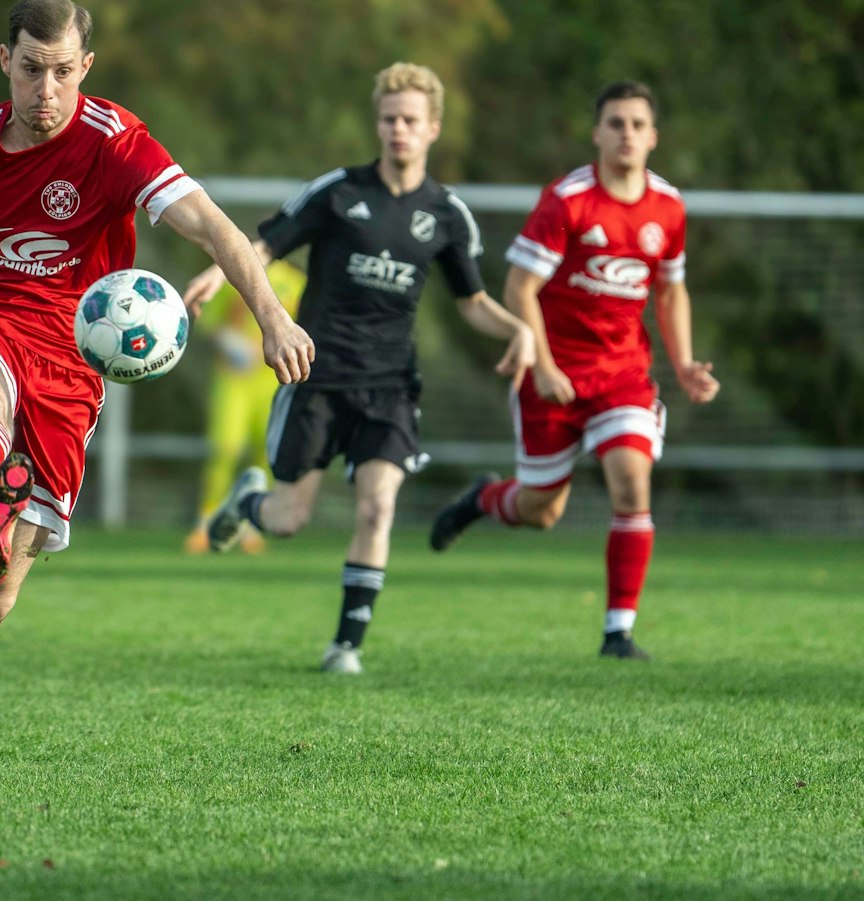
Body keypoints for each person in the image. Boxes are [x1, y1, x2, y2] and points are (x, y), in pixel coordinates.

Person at [0, 0, 315, 784]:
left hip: (69, 366)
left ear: (85, 68)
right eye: (31, 69)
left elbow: (216, 229)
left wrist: (271, 317)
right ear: (5, 62)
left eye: (63, 72)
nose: (46, 89)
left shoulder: (116, 142)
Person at [187, 63, 535, 675]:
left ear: (433, 129)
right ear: (377, 124)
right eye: (388, 118)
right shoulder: (338, 192)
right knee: (290, 519)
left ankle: (346, 645)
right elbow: (265, 245)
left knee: (378, 507)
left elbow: (474, 304)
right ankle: (250, 504)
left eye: (409, 120)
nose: (397, 129)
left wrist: (520, 330)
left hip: (392, 385)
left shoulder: (448, 215)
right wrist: (221, 269)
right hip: (316, 374)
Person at [429, 81, 719, 661]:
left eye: (638, 124)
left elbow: (671, 290)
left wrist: (683, 362)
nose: (627, 134)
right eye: (616, 123)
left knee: (632, 483)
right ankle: (485, 499)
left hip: (623, 376)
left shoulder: (668, 207)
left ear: (653, 136)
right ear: (597, 133)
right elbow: (520, 287)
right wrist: (542, 363)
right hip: (553, 372)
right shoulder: (568, 200)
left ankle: (618, 631)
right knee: (542, 510)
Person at [182, 259, 308, 555]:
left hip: (274, 381)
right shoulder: (232, 277)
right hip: (233, 380)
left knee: (265, 452)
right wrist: (228, 341)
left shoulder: (295, 282)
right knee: (225, 448)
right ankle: (205, 522)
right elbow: (209, 320)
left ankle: (252, 525)